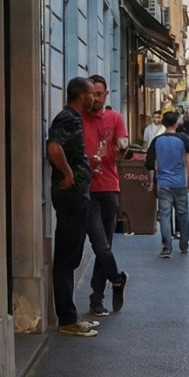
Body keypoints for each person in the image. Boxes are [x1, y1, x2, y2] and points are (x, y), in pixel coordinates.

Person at [46, 77, 99, 338]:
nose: (96, 98)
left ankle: (70, 315)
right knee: (66, 259)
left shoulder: (73, 118)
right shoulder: (67, 118)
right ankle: (67, 319)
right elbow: (54, 147)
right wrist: (67, 173)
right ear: (81, 96)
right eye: (92, 94)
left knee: (71, 257)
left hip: (76, 197)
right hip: (71, 197)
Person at [81, 76, 129, 317]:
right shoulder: (79, 118)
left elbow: (123, 145)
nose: (96, 99)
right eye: (92, 95)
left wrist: (122, 146)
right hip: (87, 190)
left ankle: (96, 299)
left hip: (110, 187)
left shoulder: (115, 118)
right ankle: (118, 279)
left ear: (106, 94)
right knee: (100, 245)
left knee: (106, 245)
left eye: (99, 94)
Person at [145, 111, 189, 258]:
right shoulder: (182, 139)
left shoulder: (157, 140)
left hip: (163, 183)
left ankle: (166, 247)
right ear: (176, 123)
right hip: (179, 183)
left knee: (165, 216)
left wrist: (151, 181)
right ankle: (184, 244)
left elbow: (149, 163)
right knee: (183, 214)